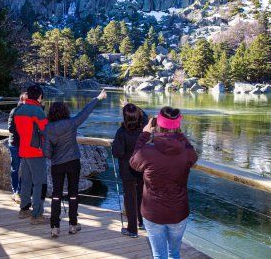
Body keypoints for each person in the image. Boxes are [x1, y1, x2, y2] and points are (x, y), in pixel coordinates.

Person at [130, 107, 198, 259]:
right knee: (174, 253)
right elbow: (193, 154)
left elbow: (133, 161)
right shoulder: (187, 152)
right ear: (178, 127)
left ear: (157, 125)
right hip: (178, 212)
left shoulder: (147, 152)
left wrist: (145, 134)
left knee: (159, 255)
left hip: (153, 212)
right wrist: (179, 134)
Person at [42, 89, 107, 238]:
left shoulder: (48, 128)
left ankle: (54, 227)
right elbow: (85, 112)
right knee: (73, 194)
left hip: (57, 164)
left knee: (56, 195)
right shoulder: (72, 123)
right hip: (73, 163)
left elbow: (46, 152)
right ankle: (73, 224)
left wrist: (54, 156)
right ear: (65, 111)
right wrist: (98, 97)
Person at [112, 103, 148, 238]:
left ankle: (132, 229)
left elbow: (118, 152)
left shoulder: (121, 132)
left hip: (127, 169)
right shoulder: (143, 130)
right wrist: (130, 105)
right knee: (141, 195)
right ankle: (142, 222)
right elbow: (144, 116)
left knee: (130, 198)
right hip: (141, 167)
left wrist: (114, 146)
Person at [13, 84, 48, 225]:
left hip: (23, 150)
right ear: (39, 96)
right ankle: (37, 214)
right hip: (36, 151)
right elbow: (46, 130)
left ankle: (24, 209)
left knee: (26, 181)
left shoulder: (19, 109)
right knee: (39, 183)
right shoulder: (37, 111)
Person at [7, 92, 27, 204]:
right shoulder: (14, 111)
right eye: (25, 100)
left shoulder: (31, 112)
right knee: (15, 169)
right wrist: (24, 131)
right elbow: (10, 128)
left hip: (25, 145)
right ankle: (15, 192)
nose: (27, 102)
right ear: (21, 100)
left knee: (25, 170)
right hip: (15, 144)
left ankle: (19, 191)